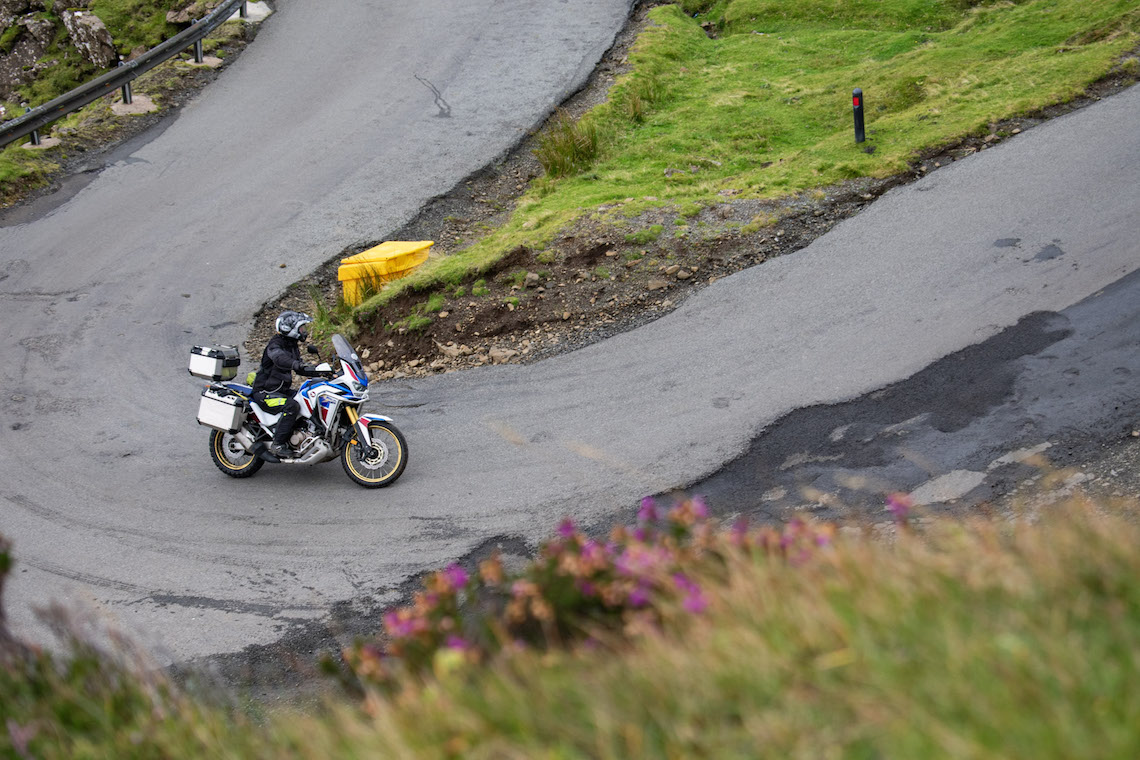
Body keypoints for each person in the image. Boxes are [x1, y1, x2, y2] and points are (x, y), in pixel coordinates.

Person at [251, 310, 321, 459]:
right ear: (289, 328)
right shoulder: (275, 345)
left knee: (308, 398)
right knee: (292, 406)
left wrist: (322, 372)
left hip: (280, 390)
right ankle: (278, 444)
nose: (304, 331)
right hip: (265, 392)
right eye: (301, 328)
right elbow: (280, 359)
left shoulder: (292, 345)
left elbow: (299, 368)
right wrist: (297, 364)